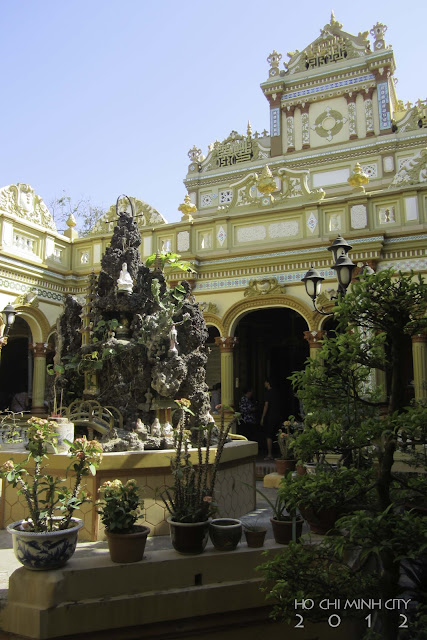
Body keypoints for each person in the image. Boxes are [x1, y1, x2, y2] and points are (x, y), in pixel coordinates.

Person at [260, 379, 282, 460]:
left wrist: (262, 417)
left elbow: (266, 405)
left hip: (270, 416)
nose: (264, 384)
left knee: (269, 435)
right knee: (279, 434)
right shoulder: (277, 392)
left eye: (265, 382)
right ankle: (282, 453)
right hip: (278, 415)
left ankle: (270, 454)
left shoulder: (268, 393)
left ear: (268, 383)